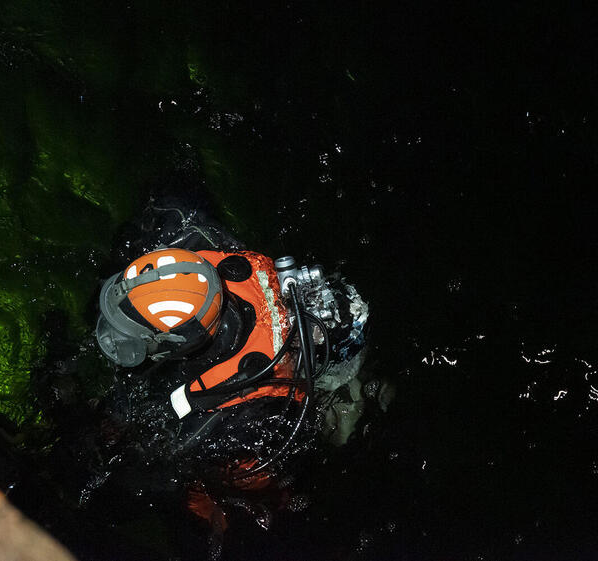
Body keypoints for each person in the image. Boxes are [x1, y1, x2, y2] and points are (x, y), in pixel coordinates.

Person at [89, 204, 390, 539]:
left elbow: (260, 490)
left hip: (322, 372)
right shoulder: (196, 246)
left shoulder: (236, 417)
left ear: (180, 343)